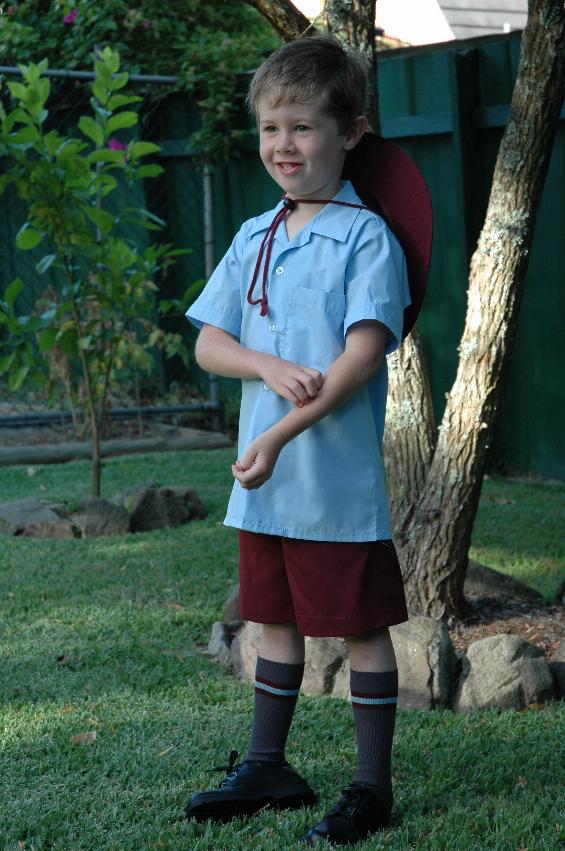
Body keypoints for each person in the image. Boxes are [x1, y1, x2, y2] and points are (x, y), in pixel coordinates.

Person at [184, 35, 413, 847]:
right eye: (270, 128)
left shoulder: (365, 237)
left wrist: (281, 429)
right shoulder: (255, 235)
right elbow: (210, 343)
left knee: (357, 628)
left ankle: (370, 788)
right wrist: (267, 365)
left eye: (303, 127)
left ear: (349, 132)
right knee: (272, 619)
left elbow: (358, 358)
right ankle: (268, 765)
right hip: (265, 476)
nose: (284, 145)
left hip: (329, 479)